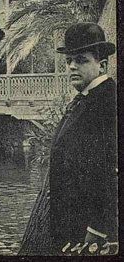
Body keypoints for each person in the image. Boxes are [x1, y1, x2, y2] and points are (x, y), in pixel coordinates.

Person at [19, 22, 118, 255]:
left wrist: (98, 228)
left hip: (90, 230)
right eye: (69, 61)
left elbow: (109, 169)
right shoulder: (85, 99)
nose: (72, 66)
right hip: (71, 225)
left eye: (81, 60)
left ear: (101, 64)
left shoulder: (106, 102)